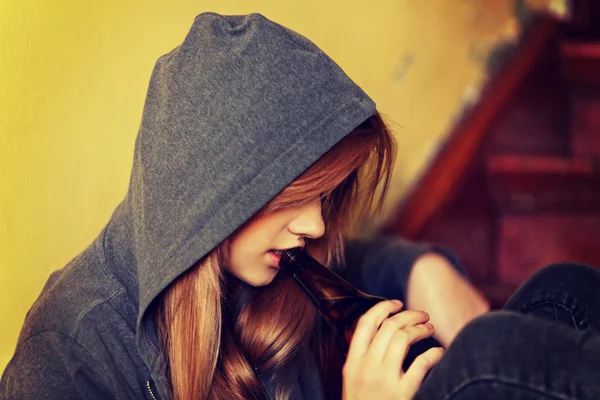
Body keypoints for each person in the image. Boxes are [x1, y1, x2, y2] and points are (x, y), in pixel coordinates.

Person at [3, 11, 596, 400]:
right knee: (487, 355)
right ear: (214, 191)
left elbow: (353, 260)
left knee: (564, 290)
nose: (314, 223)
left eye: (324, 195)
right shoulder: (67, 356)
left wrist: (421, 268)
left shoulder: (267, 260)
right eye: (294, 196)